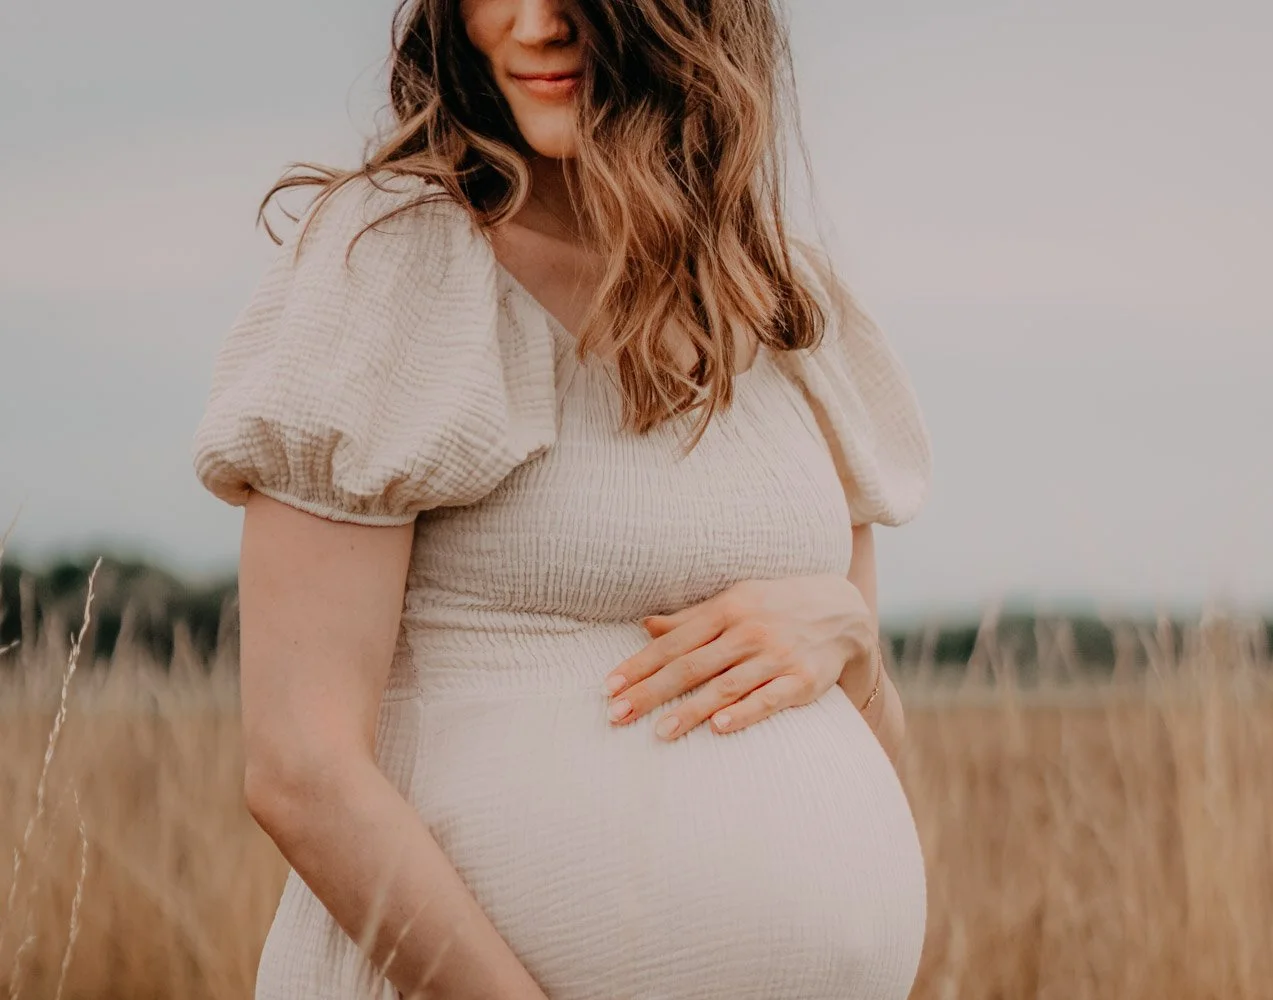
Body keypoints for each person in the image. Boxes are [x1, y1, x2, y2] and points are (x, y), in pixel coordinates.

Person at [190, 0, 934, 997]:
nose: (537, 23)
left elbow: (872, 759)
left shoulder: (783, 302)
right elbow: (302, 771)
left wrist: (850, 636)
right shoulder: (394, 268)